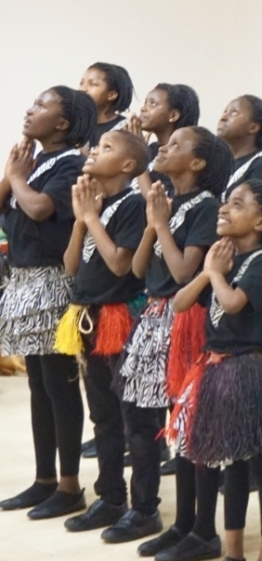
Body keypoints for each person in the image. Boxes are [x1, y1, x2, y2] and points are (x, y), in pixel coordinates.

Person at [107, 126, 228, 548]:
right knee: (138, 417)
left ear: (198, 163)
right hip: (154, 317)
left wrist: (160, 224)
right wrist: (152, 224)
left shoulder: (207, 207)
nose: (164, 146)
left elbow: (182, 273)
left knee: (188, 426)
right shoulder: (169, 202)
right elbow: (139, 269)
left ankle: (200, 528)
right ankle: (145, 509)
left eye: (177, 145)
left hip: (186, 320)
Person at [165, 179, 262, 561]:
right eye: (226, 201)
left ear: (261, 223)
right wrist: (207, 272)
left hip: (247, 370)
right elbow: (180, 303)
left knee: (261, 463)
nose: (224, 209)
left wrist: (216, 275)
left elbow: (234, 303)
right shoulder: (223, 259)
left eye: (237, 204)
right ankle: (233, 552)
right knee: (232, 467)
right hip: (216, 370)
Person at [0, 86, 95, 520]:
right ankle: (43, 479)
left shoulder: (71, 164)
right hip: (23, 282)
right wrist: (11, 172)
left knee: (59, 385)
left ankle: (70, 484)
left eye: (41, 105)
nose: (29, 109)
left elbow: (39, 210)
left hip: (52, 284)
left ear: (62, 123)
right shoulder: (32, 162)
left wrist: (18, 178)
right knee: (38, 386)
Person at [55, 130, 150, 534]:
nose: (94, 151)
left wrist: (91, 217)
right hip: (88, 317)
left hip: (122, 320)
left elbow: (119, 265)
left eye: (106, 148)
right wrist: (81, 219)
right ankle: (110, 498)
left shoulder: (133, 204)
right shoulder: (98, 205)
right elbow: (71, 265)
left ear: (128, 166)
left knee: (136, 419)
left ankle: (145, 508)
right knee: (104, 416)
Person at [127, 83, 201, 194]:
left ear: (173, 116)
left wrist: (139, 152)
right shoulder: (151, 149)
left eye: (153, 104)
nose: (143, 109)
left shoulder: (180, 157)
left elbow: (155, 201)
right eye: (145, 103)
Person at [216, 95, 262, 198]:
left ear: (253, 128)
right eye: (225, 111)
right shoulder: (221, 162)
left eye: (234, 112)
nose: (223, 117)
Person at [80, 62, 134, 148]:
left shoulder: (124, 128)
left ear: (111, 95)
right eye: (81, 83)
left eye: (92, 84)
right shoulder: (78, 122)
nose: (83, 89)